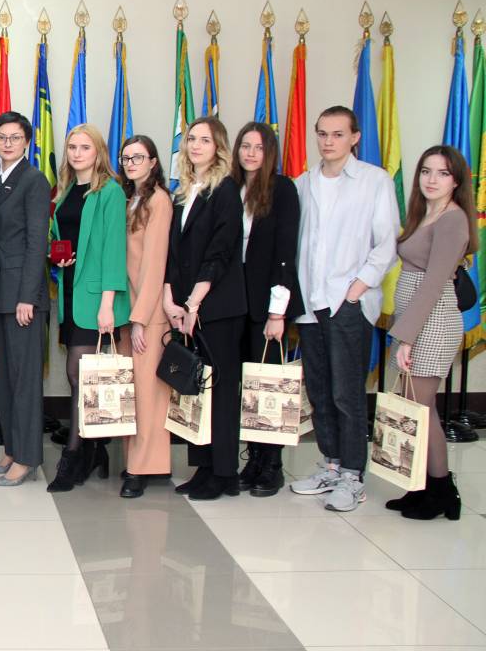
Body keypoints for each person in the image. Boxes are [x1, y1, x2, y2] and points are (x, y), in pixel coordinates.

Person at [291, 106, 399, 512]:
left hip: (347, 303)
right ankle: (332, 464)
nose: (328, 141)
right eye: (322, 133)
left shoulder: (374, 181)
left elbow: (386, 242)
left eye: (337, 134)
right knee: (319, 390)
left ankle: (353, 475)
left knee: (346, 393)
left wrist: (357, 288)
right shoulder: (303, 183)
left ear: (355, 137)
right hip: (311, 302)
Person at [164, 117, 247, 501]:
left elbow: (220, 251)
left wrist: (194, 302)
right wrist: (173, 300)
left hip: (217, 307)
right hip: (187, 306)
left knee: (222, 389)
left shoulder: (226, 189)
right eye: (191, 139)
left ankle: (224, 473)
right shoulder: (183, 191)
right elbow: (173, 252)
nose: (195, 145)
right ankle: (203, 468)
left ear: (219, 147)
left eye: (205, 140)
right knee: (196, 388)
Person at [385, 146, 470, 521]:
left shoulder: (453, 220)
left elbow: (434, 283)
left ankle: (441, 490)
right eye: (426, 171)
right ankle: (419, 486)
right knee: (415, 407)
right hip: (413, 318)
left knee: (420, 409)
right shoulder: (424, 213)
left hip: (433, 321)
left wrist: (407, 337)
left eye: (443, 173)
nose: (432, 179)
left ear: (457, 181)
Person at [47, 124, 129, 492]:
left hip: (97, 299)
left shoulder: (110, 191)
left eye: (84, 147)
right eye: (72, 147)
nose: (77, 153)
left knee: (79, 375)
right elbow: (60, 235)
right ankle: (95, 449)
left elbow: (114, 250)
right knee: (80, 376)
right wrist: (56, 255)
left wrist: (108, 304)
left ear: (98, 152)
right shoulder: (65, 190)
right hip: (70, 292)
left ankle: (74, 454)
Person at [231, 122, 302, 498]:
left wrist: (278, 313)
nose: (251, 153)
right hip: (234, 303)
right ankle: (252, 459)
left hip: (267, 305)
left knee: (268, 385)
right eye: (245, 146)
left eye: (258, 147)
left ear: (269, 152)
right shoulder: (230, 188)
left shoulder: (282, 189)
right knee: (246, 386)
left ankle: (271, 465)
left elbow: (285, 253)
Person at [0, 111, 50, 486]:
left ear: (27, 142)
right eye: (1, 137)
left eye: (15, 137)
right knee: (5, 379)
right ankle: (11, 448)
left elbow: (37, 242)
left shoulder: (34, 180)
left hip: (22, 298)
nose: (7, 143)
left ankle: (27, 458)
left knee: (25, 381)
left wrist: (28, 297)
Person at [116, 135, 174, 498]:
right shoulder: (131, 197)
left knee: (148, 395)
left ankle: (143, 468)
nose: (131, 163)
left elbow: (155, 263)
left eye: (138, 157)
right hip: (129, 308)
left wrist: (140, 318)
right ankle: (133, 461)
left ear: (153, 162)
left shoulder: (159, 200)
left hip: (147, 314)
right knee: (132, 392)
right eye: (126, 158)